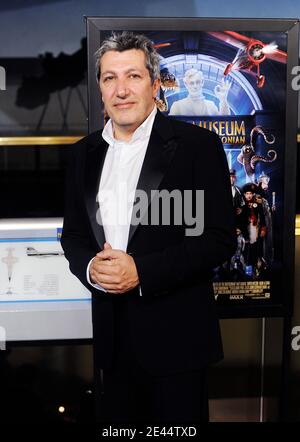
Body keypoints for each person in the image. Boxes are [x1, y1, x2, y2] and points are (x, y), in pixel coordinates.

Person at [61, 31, 236, 424]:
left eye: (133, 76)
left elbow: (219, 240)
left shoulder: (198, 147)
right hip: (111, 343)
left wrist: (141, 271)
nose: (121, 89)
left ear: (155, 84)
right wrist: (91, 268)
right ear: (101, 88)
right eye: (110, 78)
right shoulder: (81, 154)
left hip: (178, 345)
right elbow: (72, 234)